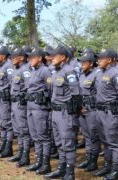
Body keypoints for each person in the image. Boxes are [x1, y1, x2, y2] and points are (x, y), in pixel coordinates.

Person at [44, 45, 80, 180]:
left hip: (66, 113)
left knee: (68, 144)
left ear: (63, 57)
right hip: (56, 112)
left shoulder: (69, 71)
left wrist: (74, 112)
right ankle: (61, 168)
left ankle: (70, 173)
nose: (52, 58)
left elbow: (75, 94)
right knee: (59, 143)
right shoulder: (55, 71)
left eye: (55, 55)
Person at [92, 49, 118, 180]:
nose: (98, 60)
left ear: (110, 60)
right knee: (105, 141)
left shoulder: (115, 73)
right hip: (99, 111)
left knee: (113, 142)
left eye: (101, 58)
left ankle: (115, 171)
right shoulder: (99, 72)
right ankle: (107, 167)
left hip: (111, 112)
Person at [24, 47, 52, 173]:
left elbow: (51, 89)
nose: (29, 59)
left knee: (43, 136)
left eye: (32, 57)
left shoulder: (45, 71)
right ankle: (38, 161)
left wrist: (47, 103)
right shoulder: (33, 71)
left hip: (40, 107)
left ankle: (46, 164)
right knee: (35, 136)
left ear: (40, 58)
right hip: (31, 106)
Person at [76, 52, 100, 172]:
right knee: (86, 136)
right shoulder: (81, 74)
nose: (82, 64)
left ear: (91, 63)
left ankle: (94, 161)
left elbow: (100, 94)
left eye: (84, 62)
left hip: (92, 110)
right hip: (82, 110)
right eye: (81, 62)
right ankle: (88, 158)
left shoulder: (97, 74)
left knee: (94, 136)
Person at [0, 46, 14, 158]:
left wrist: (8, 95)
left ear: (3, 56)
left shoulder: (8, 66)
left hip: (5, 100)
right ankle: (3, 145)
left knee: (7, 124)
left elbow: (12, 83)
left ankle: (8, 147)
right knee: (1, 122)